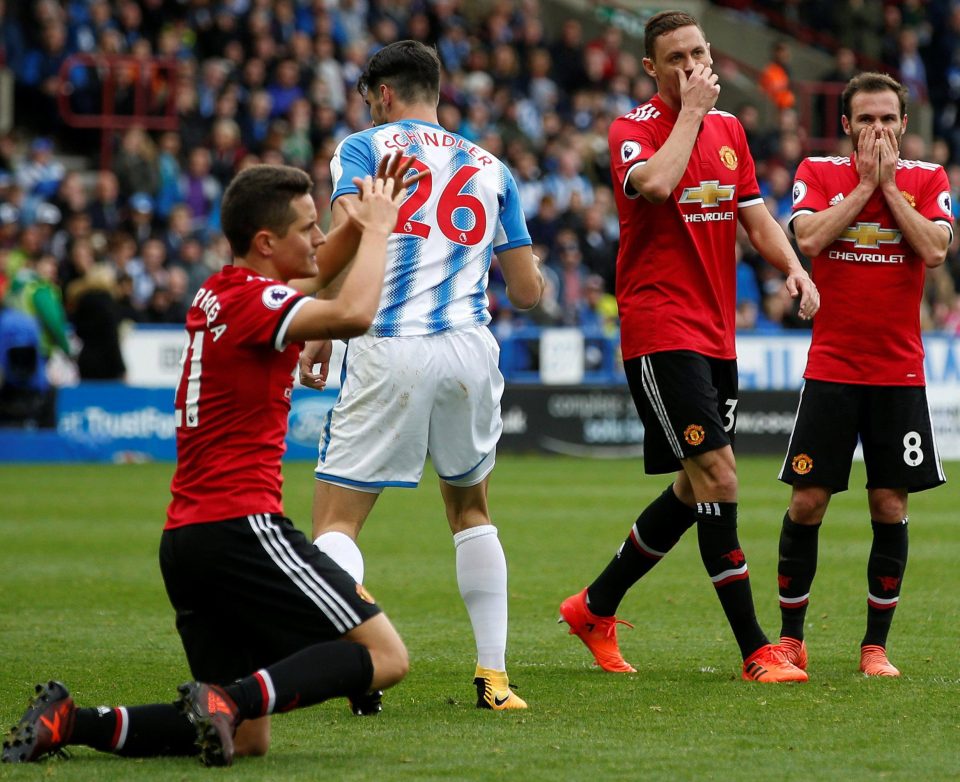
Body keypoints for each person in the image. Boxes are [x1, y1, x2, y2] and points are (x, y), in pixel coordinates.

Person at [3, 161, 413, 767]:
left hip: (187, 541)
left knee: (248, 736)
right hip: (240, 528)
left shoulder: (219, 291)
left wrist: (375, 217)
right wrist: (379, 231)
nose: (323, 236)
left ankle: (70, 722)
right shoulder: (259, 302)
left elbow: (319, 271)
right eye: (309, 226)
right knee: (386, 659)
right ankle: (226, 696)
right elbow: (351, 313)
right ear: (267, 243)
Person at [558, 10, 819, 683]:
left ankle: (594, 606)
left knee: (691, 485)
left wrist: (793, 267)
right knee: (721, 477)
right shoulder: (632, 131)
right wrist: (690, 115)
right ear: (651, 68)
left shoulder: (731, 131)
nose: (691, 67)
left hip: (716, 332)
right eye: (675, 58)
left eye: (698, 53)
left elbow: (754, 215)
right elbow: (655, 185)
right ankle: (757, 651)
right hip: (658, 328)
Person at [299, 40, 544, 711]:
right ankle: (494, 678)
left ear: (381, 94)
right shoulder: (493, 167)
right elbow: (525, 292)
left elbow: (345, 233)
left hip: (390, 345)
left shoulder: (361, 147)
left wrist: (321, 325)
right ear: (436, 90)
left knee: (336, 525)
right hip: (469, 349)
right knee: (470, 511)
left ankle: (358, 661)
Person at [776, 72, 951, 677]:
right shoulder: (818, 173)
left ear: (904, 125)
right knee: (807, 502)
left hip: (898, 372)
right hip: (832, 368)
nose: (878, 130)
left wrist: (890, 188)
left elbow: (933, 249)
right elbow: (810, 237)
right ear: (847, 125)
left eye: (888, 119)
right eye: (866, 120)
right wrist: (865, 189)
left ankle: (875, 647)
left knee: (889, 501)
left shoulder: (928, 179)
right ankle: (791, 640)